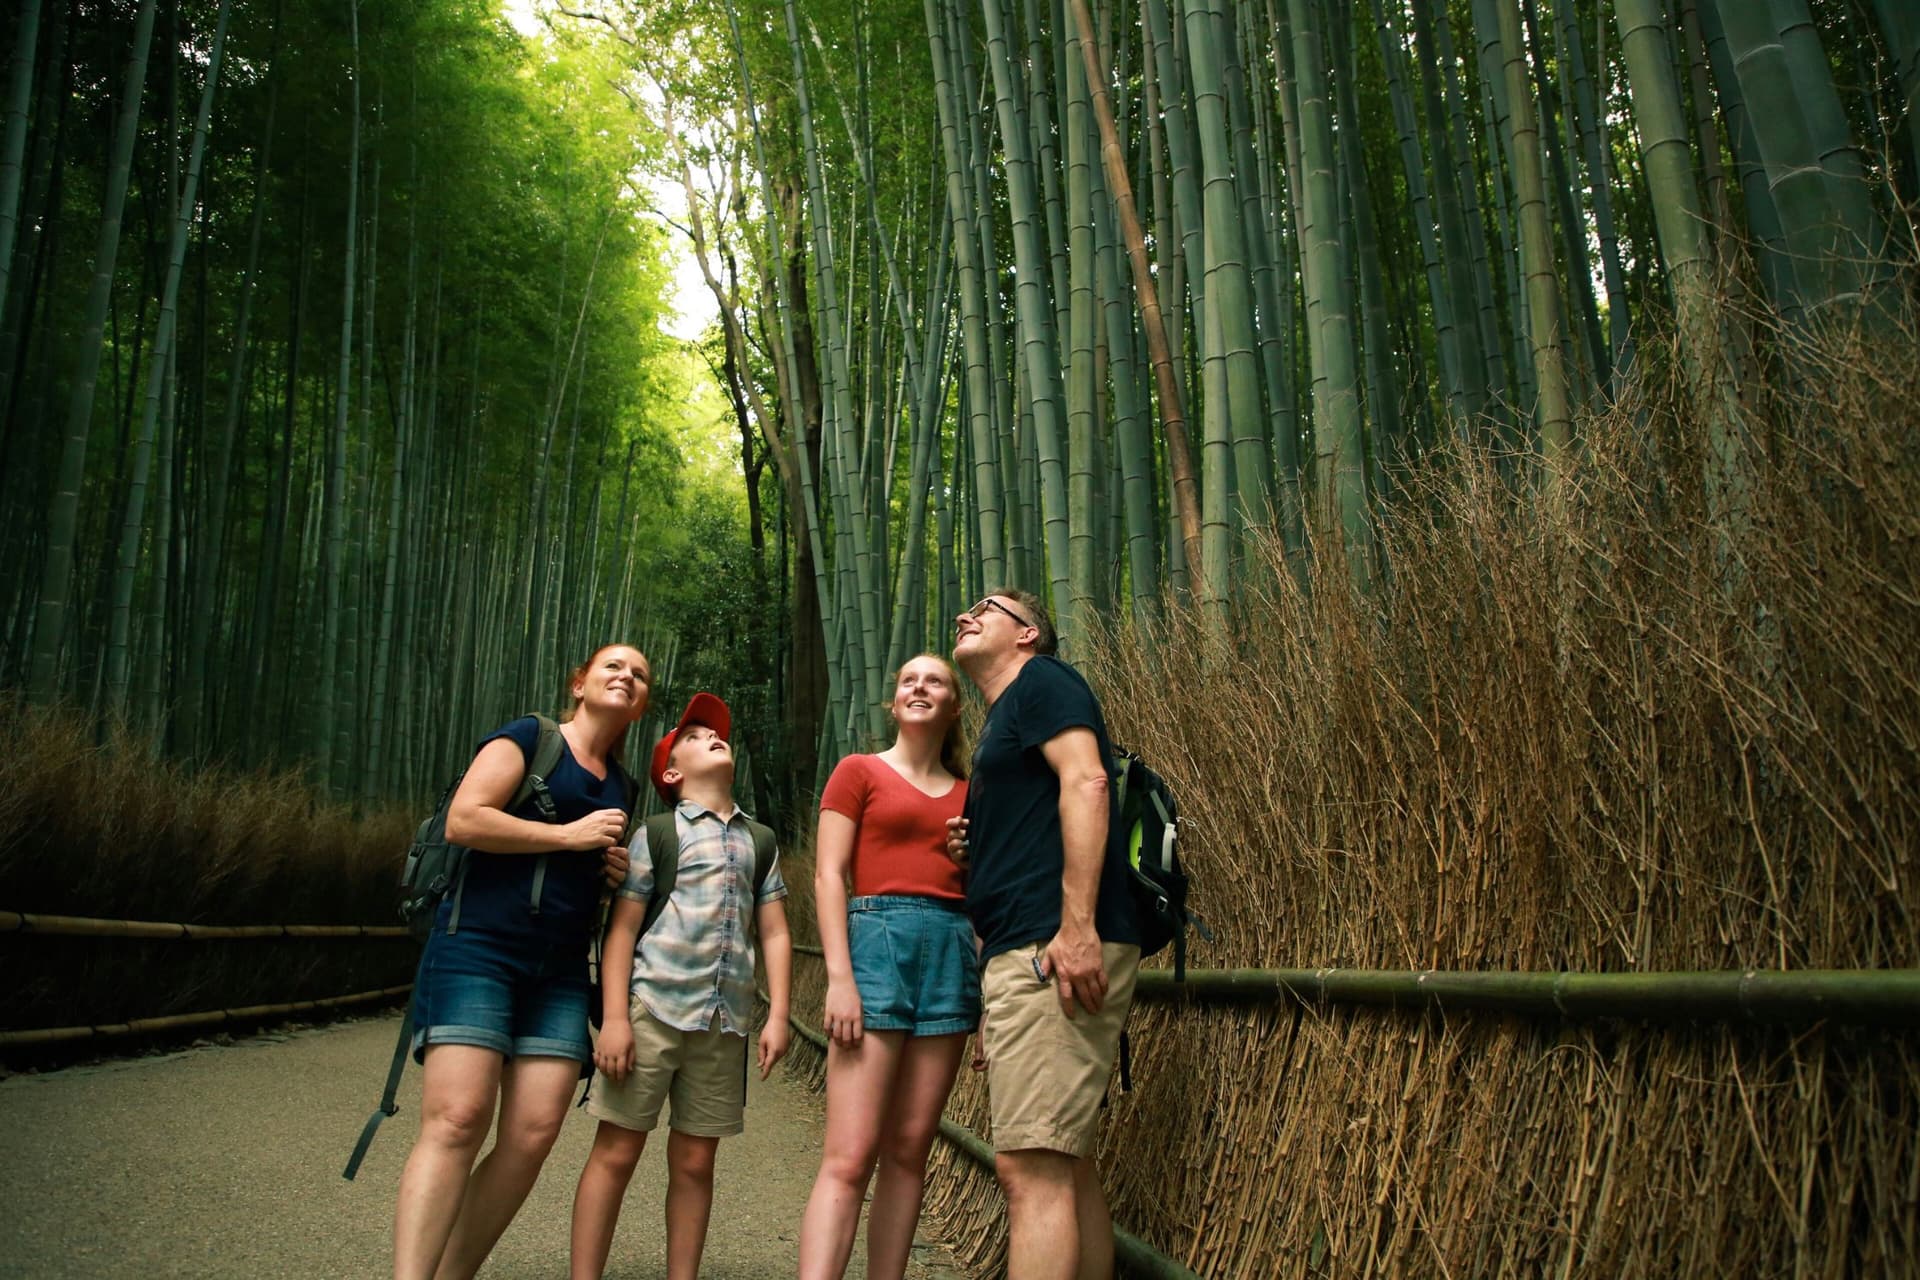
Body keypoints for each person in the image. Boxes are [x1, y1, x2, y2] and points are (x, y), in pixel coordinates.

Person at [393, 644, 650, 1280]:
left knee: (533, 1134)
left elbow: (580, 871)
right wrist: (571, 836)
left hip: (560, 970)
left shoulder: (623, 783)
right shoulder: (530, 737)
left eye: (640, 675)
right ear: (581, 681)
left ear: (643, 705)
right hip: (477, 945)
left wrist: (608, 872)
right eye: (614, 666)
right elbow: (464, 820)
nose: (627, 676)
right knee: (458, 1118)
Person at [948, 589, 1141, 1280]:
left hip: (1051, 944)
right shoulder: (1003, 718)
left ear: (1028, 633)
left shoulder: (1044, 681)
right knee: (1062, 1160)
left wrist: (1078, 927)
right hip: (1024, 949)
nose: (965, 615)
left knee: (1029, 1168)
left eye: (986, 607)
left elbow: (1089, 782)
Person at [569, 692, 794, 1280]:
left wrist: (779, 1015)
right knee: (617, 1150)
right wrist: (615, 1019)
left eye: (716, 733)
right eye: (694, 736)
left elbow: (772, 932)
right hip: (653, 1009)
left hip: (724, 1022)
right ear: (671, 772)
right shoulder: (657, 832)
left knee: (696, 1160)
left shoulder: (759, 840)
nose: (712, 737)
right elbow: (621, 932)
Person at [798, 654, 977, 1280]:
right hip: (876, 944)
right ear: (893, 702)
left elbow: (985, 895)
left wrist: (970, 858)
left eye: (935, 680)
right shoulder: (858, 772)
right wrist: (840, 979)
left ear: (954, 706)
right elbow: (828, 875)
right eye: (908, 680)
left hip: (953, 950)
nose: (920, 686)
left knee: (908, 1152)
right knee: (849, 1155)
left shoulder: (970, 792)